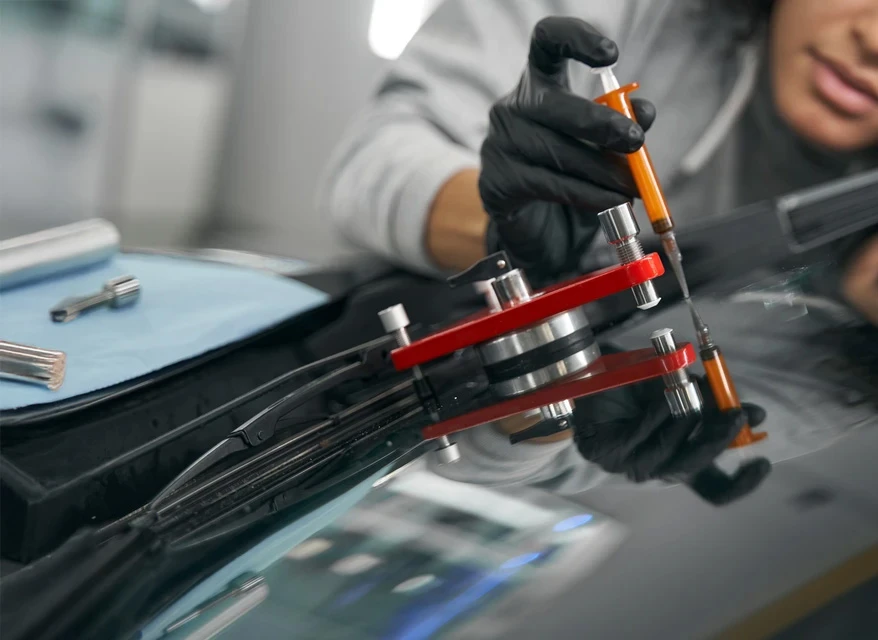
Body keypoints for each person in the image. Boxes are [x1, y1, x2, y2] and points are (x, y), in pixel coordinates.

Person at [319, 0, 878, 504]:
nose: (874, 40)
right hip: (312, 333)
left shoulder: (851, 356)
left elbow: (505, 454)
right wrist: (497, 224)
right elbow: (371, 164)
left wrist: (552, 411)